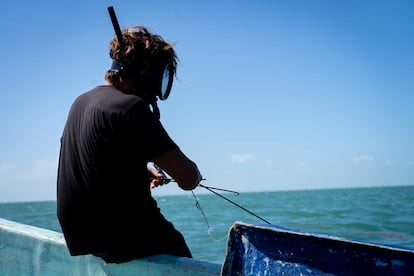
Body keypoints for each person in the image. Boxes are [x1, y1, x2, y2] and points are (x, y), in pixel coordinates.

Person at [57, 26, 202, 263]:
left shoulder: (80, 103)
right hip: (125, 236)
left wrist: (140, 170)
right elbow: (187, 178)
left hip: (83, 236)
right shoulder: (130, 107)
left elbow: (96, 157)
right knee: (179, 251)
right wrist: (196, 175)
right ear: (148, 74)